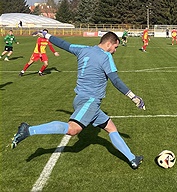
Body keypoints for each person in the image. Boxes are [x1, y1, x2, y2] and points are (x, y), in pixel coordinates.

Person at [11, 31, 145, 170]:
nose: (115, 51)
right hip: (90, 102)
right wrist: (134, 97)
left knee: (111, 128)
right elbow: (115, 80)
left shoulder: (83, 49)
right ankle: (29, 130)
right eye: (115, 47)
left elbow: (64, 44)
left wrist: (46, 35)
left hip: (81, 100)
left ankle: (132, 158)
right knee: (73, 129)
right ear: (109, 43)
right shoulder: (106, 56)